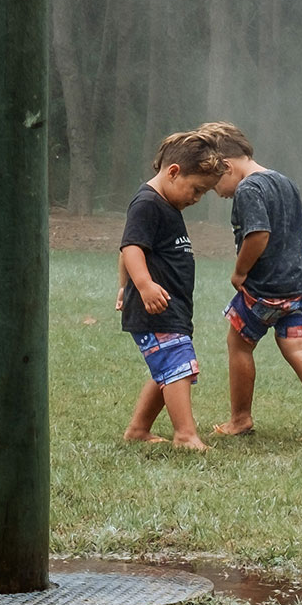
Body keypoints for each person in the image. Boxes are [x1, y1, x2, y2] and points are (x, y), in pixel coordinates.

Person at [198, 121, 302, 440]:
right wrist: (294, 269)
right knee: (297, 348)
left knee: (239, 342)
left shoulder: (249, 189)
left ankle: (240, 419)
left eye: (212, 183)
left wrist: (240, 271)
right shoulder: (285, 182)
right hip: (298, 286)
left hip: (264, 289)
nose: (215, 192)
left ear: (226, 166)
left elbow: (258, 235)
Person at [116, 130, 227, 451]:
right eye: (196, 189)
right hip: (156, 307)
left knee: (166, 368)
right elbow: (131, 247)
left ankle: (139, 429)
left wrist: (125, 287)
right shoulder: (147, 204)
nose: (197, 198)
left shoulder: (165, 205)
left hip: (171, 306)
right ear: (174, 172)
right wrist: (143, 285)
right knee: (178, 364)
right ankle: (185, 435)